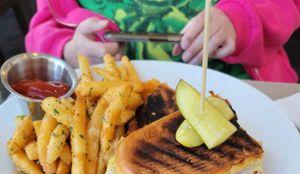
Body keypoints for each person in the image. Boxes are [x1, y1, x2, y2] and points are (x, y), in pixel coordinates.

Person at [26, 0, 300, 82]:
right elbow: (45, 26)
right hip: (115, 105)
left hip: (247, 88)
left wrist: (240, 19)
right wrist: (70, 50)